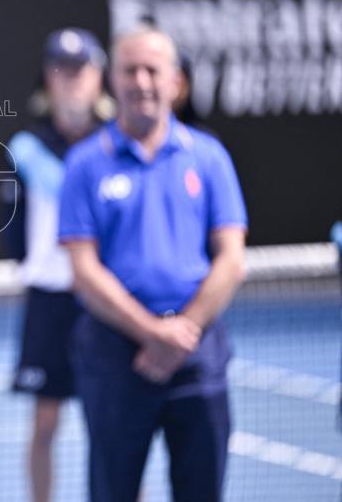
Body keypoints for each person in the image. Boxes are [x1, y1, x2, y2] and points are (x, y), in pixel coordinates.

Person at [59, 26, 248, 502]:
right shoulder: (84, 164)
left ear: (175, 82)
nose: (141, 81)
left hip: (197, 356)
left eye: (153, 70)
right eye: (130, 70)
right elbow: (84, 270)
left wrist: (182, 332)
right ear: (111, 80)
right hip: (115, 358)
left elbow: (231, 258)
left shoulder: (210, 157)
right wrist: (151, 333)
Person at [3, 28, 107, 502]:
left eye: (79, 70)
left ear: (98, 76)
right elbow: (14, 226)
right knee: (45, 422)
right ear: (48, 77)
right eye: (60, 70)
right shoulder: (27, 149)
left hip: (106, 302)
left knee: (114, 420)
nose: (70, 81)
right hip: (49, 301)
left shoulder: (113, 147)